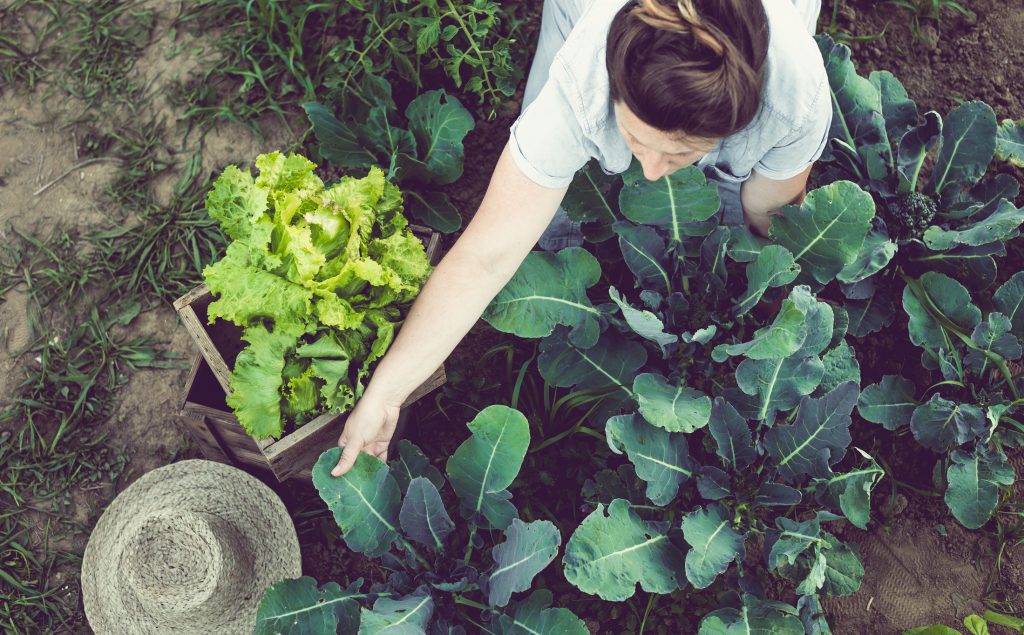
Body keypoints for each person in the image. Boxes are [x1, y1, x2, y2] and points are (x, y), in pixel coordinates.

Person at [330, 0, 830, 477]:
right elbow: (486, 256)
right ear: (611, 87)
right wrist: (386, 394)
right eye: (635, 139)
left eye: (679, 155)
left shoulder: (795, 100)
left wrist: (766, 313)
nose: (652, 173)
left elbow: (769, 218)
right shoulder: (579, 85)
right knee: (549, 232)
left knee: (731, 206)